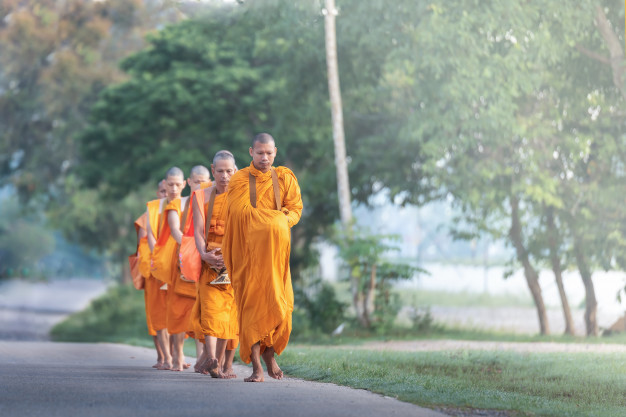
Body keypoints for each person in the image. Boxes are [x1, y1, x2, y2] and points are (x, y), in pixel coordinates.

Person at [223, 133, 303, 382]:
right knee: (250, 308)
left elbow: (295, 210)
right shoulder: (239, 180)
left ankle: (270, 355)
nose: (265, 158)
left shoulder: (284, 177)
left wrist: (278, 224)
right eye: (260, 153)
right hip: (248, 257)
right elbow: (239, 213)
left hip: (276, 257)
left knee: (282, 305)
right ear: (251, 152)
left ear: (275, 152)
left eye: (269, 153)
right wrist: (276, 220)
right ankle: (257, 367)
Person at [191, 151, 239, 378]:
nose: (225, 176)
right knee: (210, 311)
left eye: (229, 171)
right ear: (212, 170)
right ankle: (211, 357)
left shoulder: (241, 197)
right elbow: (198, 232)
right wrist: (204, 254)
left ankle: (218, 364)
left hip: (234, 264)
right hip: (210, 262)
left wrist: (232, 257)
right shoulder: (201, 196)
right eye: (220, 171)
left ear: (235, 171)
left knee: (228, 315)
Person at [146, 168, 186, 370]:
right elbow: (151, 234)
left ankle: (179, 355)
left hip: (181, 265)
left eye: (178, 184)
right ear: (164, 183)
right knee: (161, 313)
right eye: (170, 184)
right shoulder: (154, 207)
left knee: (178, 312)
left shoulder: (188, 203)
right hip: (159, 266)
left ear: (184, 184)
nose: (173, 188)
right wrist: (158, 258)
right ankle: (167, 358)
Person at [136, 180, 167, 368]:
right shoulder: (146, 217)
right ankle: (161, 357)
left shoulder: (180, 213)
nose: (166, 193)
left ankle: (173, 355)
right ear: (157, 192)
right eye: (162, 190)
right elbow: (143, 248)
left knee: (173, 314)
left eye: (170, 189)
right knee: (156, 315)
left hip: (172, 272)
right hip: (153, 273)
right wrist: (155, 267)